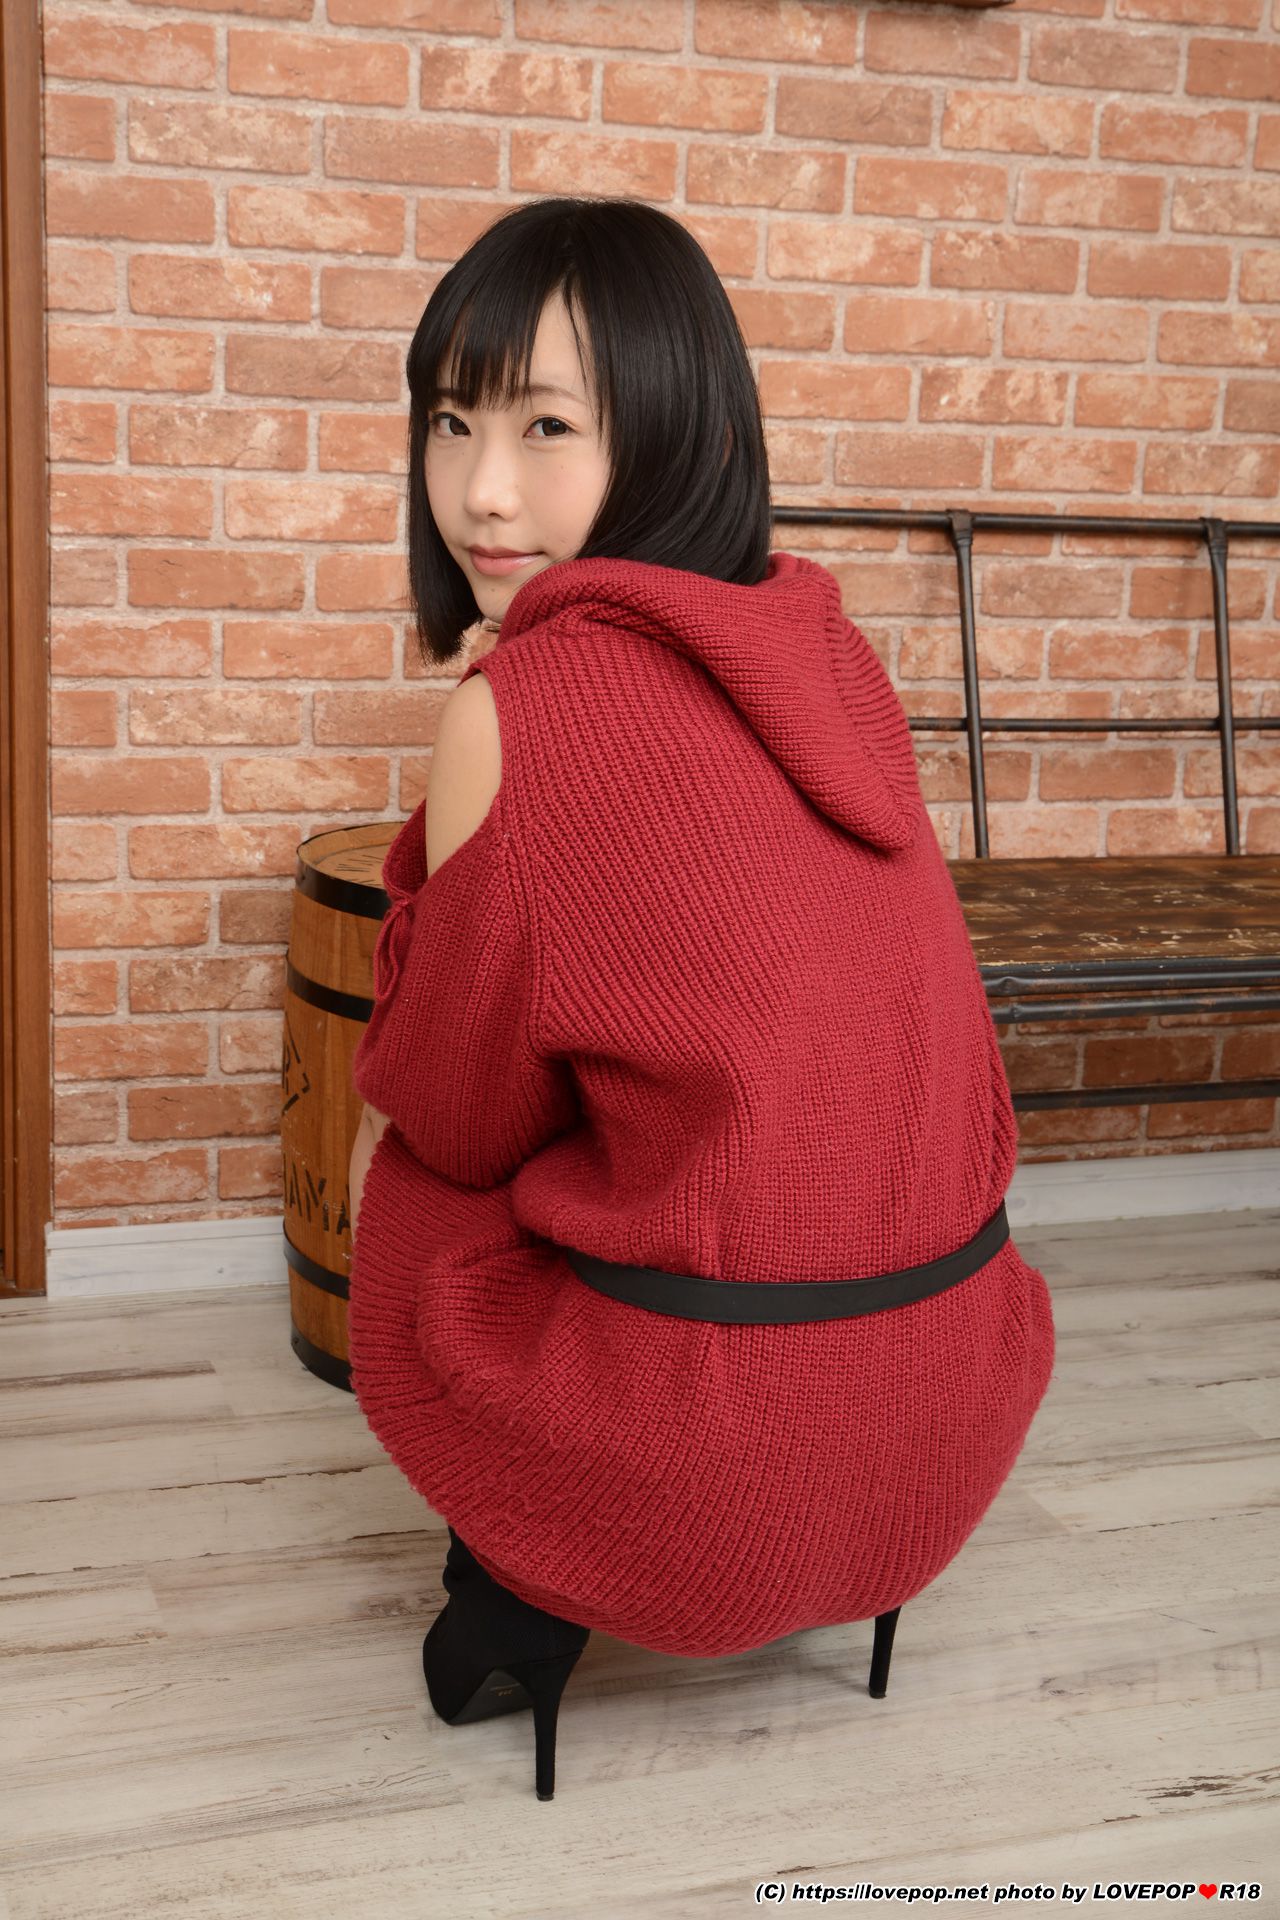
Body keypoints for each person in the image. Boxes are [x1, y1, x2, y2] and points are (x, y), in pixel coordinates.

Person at [345, 195, 1056, 1797]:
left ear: (674, 428)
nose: (480, 488)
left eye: (545, 425)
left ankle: (517, 1595)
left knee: (416, 1169)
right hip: (953, 1410)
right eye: (451, 421)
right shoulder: (827, 655)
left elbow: (463, 1110)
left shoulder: (520, 711)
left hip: (717, 1472)